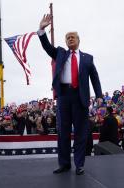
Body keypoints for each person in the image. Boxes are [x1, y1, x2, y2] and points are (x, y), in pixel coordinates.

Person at [38, 14, 103, 175]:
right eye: (67, 38)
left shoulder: (88, 58)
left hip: (80, 97)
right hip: (64, 97)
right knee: (63, 132)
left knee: (81, 133)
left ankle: (79, 164)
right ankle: (64, 164)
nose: (70, 39)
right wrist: (41, 30)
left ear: (78, 40)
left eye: (73, 37)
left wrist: (99, 94)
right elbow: (47, 47)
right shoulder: (60, 53)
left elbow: (94, 77)